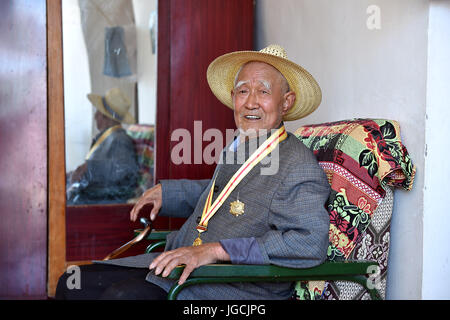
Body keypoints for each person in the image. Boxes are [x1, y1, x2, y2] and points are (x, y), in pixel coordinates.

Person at [56, 45, 331, 300]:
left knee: (121, 296)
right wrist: (170, 193)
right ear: (234, 98)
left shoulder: (298, 166)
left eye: (264, 91)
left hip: (231, 287)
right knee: (72, 281)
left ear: (286, 102)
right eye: (243, 91)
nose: (251, 102)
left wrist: (215, 250)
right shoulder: (244, 146)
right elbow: (224, 194)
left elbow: (307, 243)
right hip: (182, 269)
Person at [66, 87, 140, 205]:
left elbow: (123, 175)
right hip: (92, 193)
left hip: (101, 200)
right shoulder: (106, 137)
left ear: (106, 117)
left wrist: (87, 169)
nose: (95, 116)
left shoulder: (120, 140)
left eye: (97, 112)